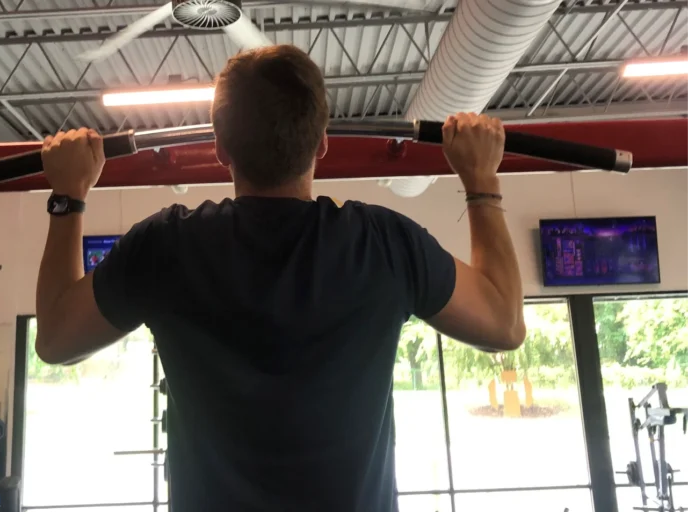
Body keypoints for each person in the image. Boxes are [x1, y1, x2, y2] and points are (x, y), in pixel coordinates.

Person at [35, 44, 526, 511]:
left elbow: (56, 339)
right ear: (323, 143)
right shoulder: (383, 243)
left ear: (221, 149)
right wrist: (481, 181)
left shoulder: (166, 246)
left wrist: (68, 194)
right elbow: (503, 323)